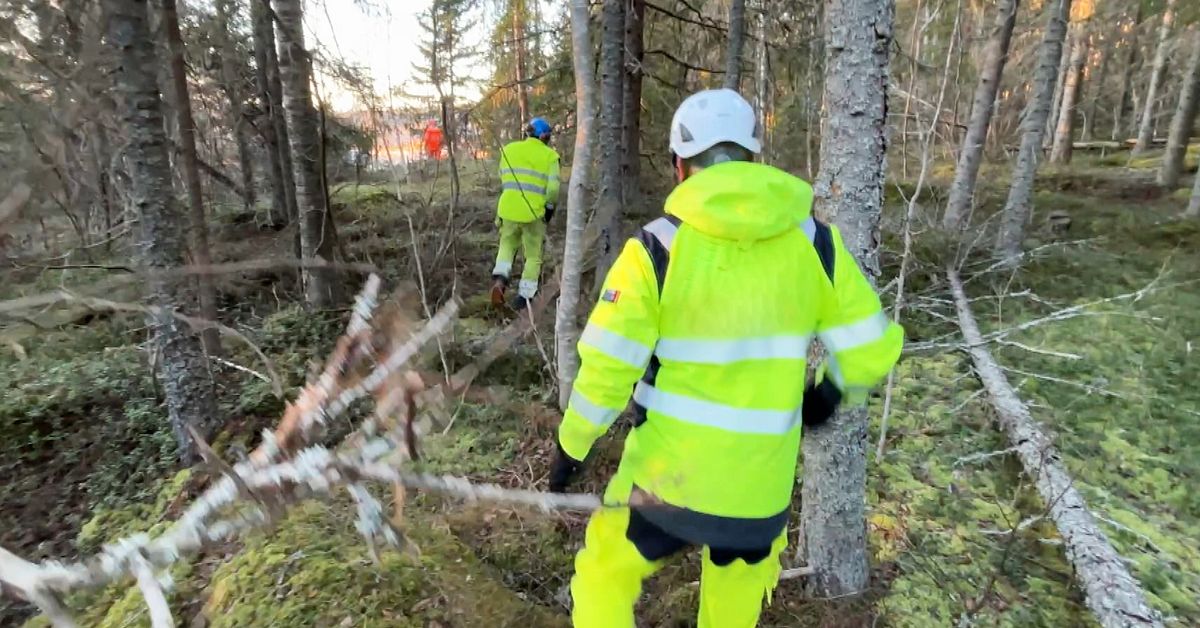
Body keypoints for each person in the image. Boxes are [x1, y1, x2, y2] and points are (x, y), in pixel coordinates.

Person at [549, 89, 903, 627]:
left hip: (666, 482)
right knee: (734, 609)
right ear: (753, 156)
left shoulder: (656, 249)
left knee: (603, 577)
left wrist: (572, 446)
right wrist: (830, 392)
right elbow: (873, 345)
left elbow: (607, 367)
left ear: (679, 165)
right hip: (759, 494)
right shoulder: (816, 244)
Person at [491, 117, 560, 310]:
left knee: (507, 245)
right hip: (534, 213)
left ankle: (500, 280)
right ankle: (524, 297)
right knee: (533, 255)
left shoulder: (508, 150)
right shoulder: (550, 156)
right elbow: (553, 189)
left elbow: (502, 177)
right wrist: (549, 208)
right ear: (545, 136)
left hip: (507, 209)